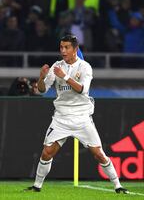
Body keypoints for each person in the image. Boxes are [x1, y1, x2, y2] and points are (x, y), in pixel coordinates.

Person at [26, 35, 128, 194]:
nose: (63, 51)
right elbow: (41, 90)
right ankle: (37, 186)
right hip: (61, 117)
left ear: (75, 49)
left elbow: (82, 89)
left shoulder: (85, 67)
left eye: (67, 47)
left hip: (81, 117)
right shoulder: (56, 66)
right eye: (61, 47)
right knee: (47, 152)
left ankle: (118, 186)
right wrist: (41, 77)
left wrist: (64, 76)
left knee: (99, 154)